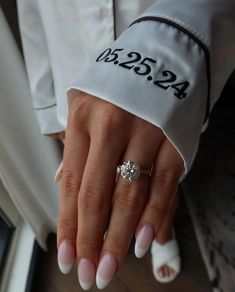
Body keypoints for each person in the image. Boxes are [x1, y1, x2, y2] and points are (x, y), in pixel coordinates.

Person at [17, 0, 235, 290]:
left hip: (164, 68)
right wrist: (47, 101)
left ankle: (159, 231)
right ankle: (142, 226)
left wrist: (174, 41)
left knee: (158, 179)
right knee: (93, 184)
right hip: (71, 64)